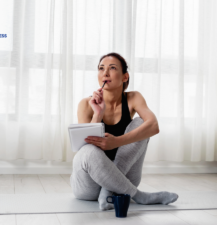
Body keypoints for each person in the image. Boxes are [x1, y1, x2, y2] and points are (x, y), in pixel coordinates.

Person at [70, 52, 178, 210]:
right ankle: (139, 196)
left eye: (112, 68)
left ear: (125, 77)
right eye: (101, 68)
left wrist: (116, 142)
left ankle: (108, 191)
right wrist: (97, 114)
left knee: (142, 124)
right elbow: (86, 148)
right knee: (87, 150)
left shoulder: (134, 98)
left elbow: (154, 126)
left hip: (123, 179)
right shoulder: (86, 104)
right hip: (89, 186)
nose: (105, 73)